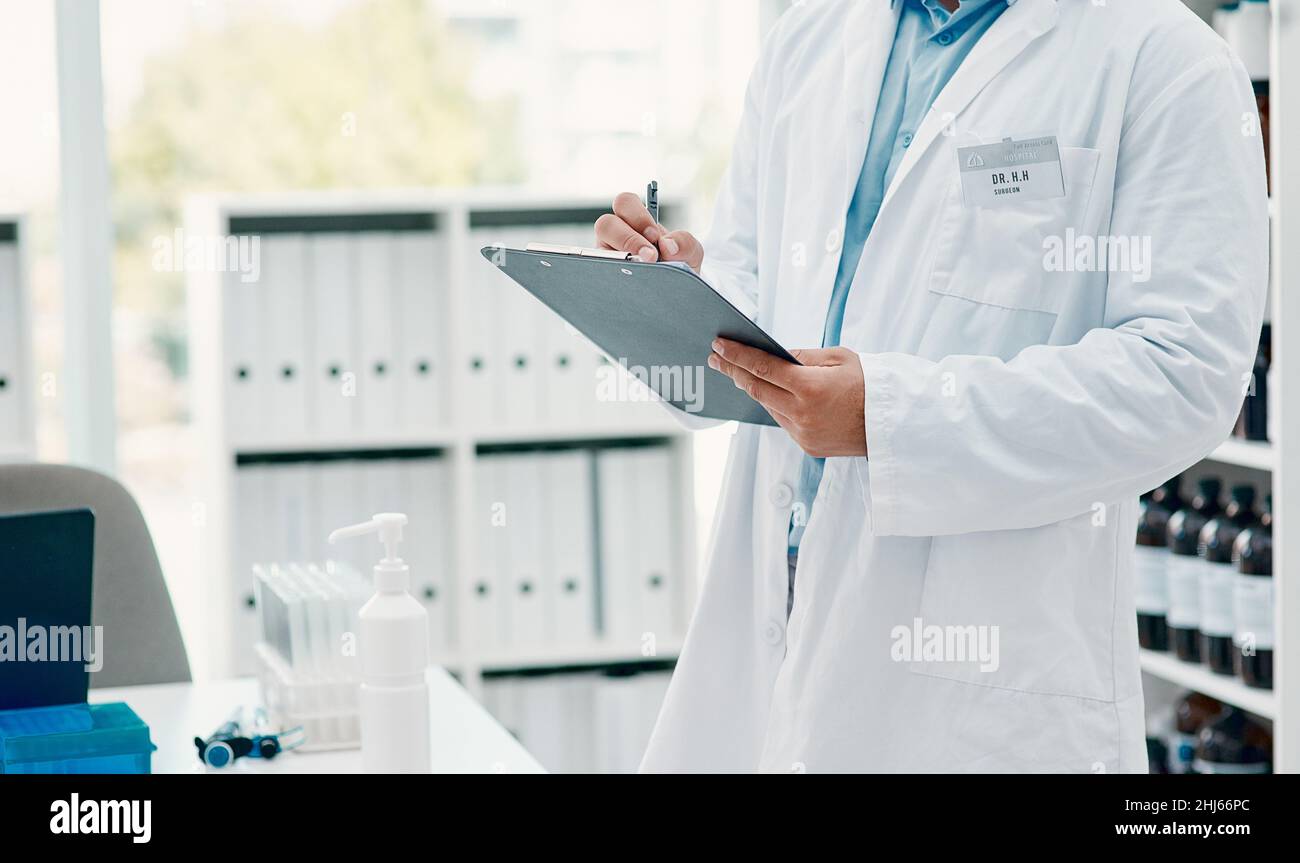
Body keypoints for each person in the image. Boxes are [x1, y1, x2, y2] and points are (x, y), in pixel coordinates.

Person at [594, 0, 1268, 773]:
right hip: (772, 611)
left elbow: (1185, 372)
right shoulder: (808, 40)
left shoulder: (1163, 58)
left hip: (977, 692)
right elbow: (762, 285)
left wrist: (888, 420)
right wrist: (683, 294)